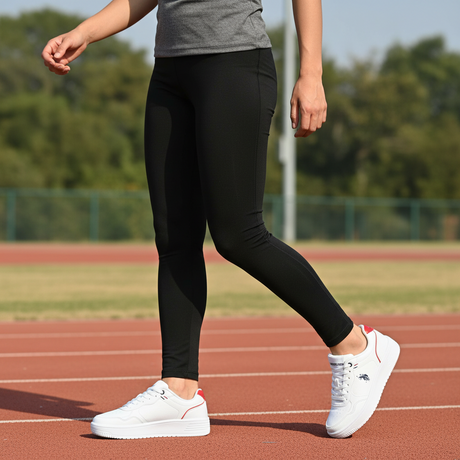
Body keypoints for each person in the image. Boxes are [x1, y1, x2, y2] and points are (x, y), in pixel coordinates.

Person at [42, 0, 400, 440]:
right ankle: (179, 392)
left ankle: (356, 346)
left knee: (239, 235)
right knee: (175, 238)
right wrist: (85, 31)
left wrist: (311, 73)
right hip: (170, 71)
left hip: (233, 64)